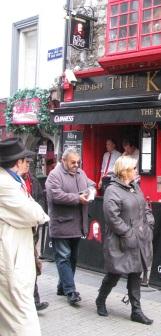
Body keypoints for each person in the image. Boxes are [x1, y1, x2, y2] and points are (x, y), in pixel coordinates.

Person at [95, 155, 154, 325]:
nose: (136, 171)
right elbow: (112, 218)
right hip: (120, 240)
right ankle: (101, 299)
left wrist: (149, 223)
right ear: (125, 171)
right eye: (133, 168)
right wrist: (128, 233)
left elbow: (145, 207)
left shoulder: (135, 186)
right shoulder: (112, 190)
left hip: (139, 239)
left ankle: (136, 310)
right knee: (114, 274)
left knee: (135, 273)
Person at [0, 138, 49, 336]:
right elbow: (36, 214)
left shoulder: (12, 180)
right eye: (25, 160)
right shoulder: (5, 184)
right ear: (17, 162)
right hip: (11, 259)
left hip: (17, 256)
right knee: (23, 324)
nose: (28, 163)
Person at [45, 148, 95, 305]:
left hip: (77, 225)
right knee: (63, 258)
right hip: (61, 225)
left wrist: (92, 190)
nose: (76, 165)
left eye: (78, 162)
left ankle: (62, 286)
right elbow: (56, 195)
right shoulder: (54, 175)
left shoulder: (81, 173)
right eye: (73, 162)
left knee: (72, 258)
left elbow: (91, 184)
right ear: (63, 161)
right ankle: (70, 290)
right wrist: (77, 198)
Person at [23, 166, 49, 312]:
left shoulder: (33, 180)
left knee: (33, 263)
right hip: (20, 230)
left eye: (27, 162)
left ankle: (34, 300)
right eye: (23, 162)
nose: (26, 165)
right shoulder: (11, 183)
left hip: (32, 229)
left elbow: (40, 199)